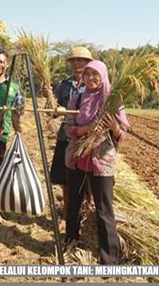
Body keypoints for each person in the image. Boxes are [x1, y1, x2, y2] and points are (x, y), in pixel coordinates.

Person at [63, 60, 129, 265]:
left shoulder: (113, 100)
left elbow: (123, 135)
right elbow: (67, 128)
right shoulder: (77, 97)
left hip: (102, 162)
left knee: (104, 209)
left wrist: (114, 128)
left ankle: (110, 258)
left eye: (95, 74)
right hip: (77, 159)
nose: (91, 78)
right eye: (87, 74)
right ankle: (70, 244)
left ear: (103, 76)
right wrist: (87, 130)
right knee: (73, 204)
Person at [42, 46, 93, 231]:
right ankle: (67, 215)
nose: (78, 64)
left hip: (88, 138)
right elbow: (54, 113)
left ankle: (87, 213)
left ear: (88, 63)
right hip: (67, 136)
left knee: (88, 180)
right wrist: (50, 98)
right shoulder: (63, 85)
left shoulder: (93, 83)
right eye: (74, 60)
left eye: (81, 60)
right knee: (66, 180)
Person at [0, 48, 23, 224]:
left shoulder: (14, 86)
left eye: (2, 61)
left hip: (2, 132)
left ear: (7, 64)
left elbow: (17, 111)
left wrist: (19, 130)